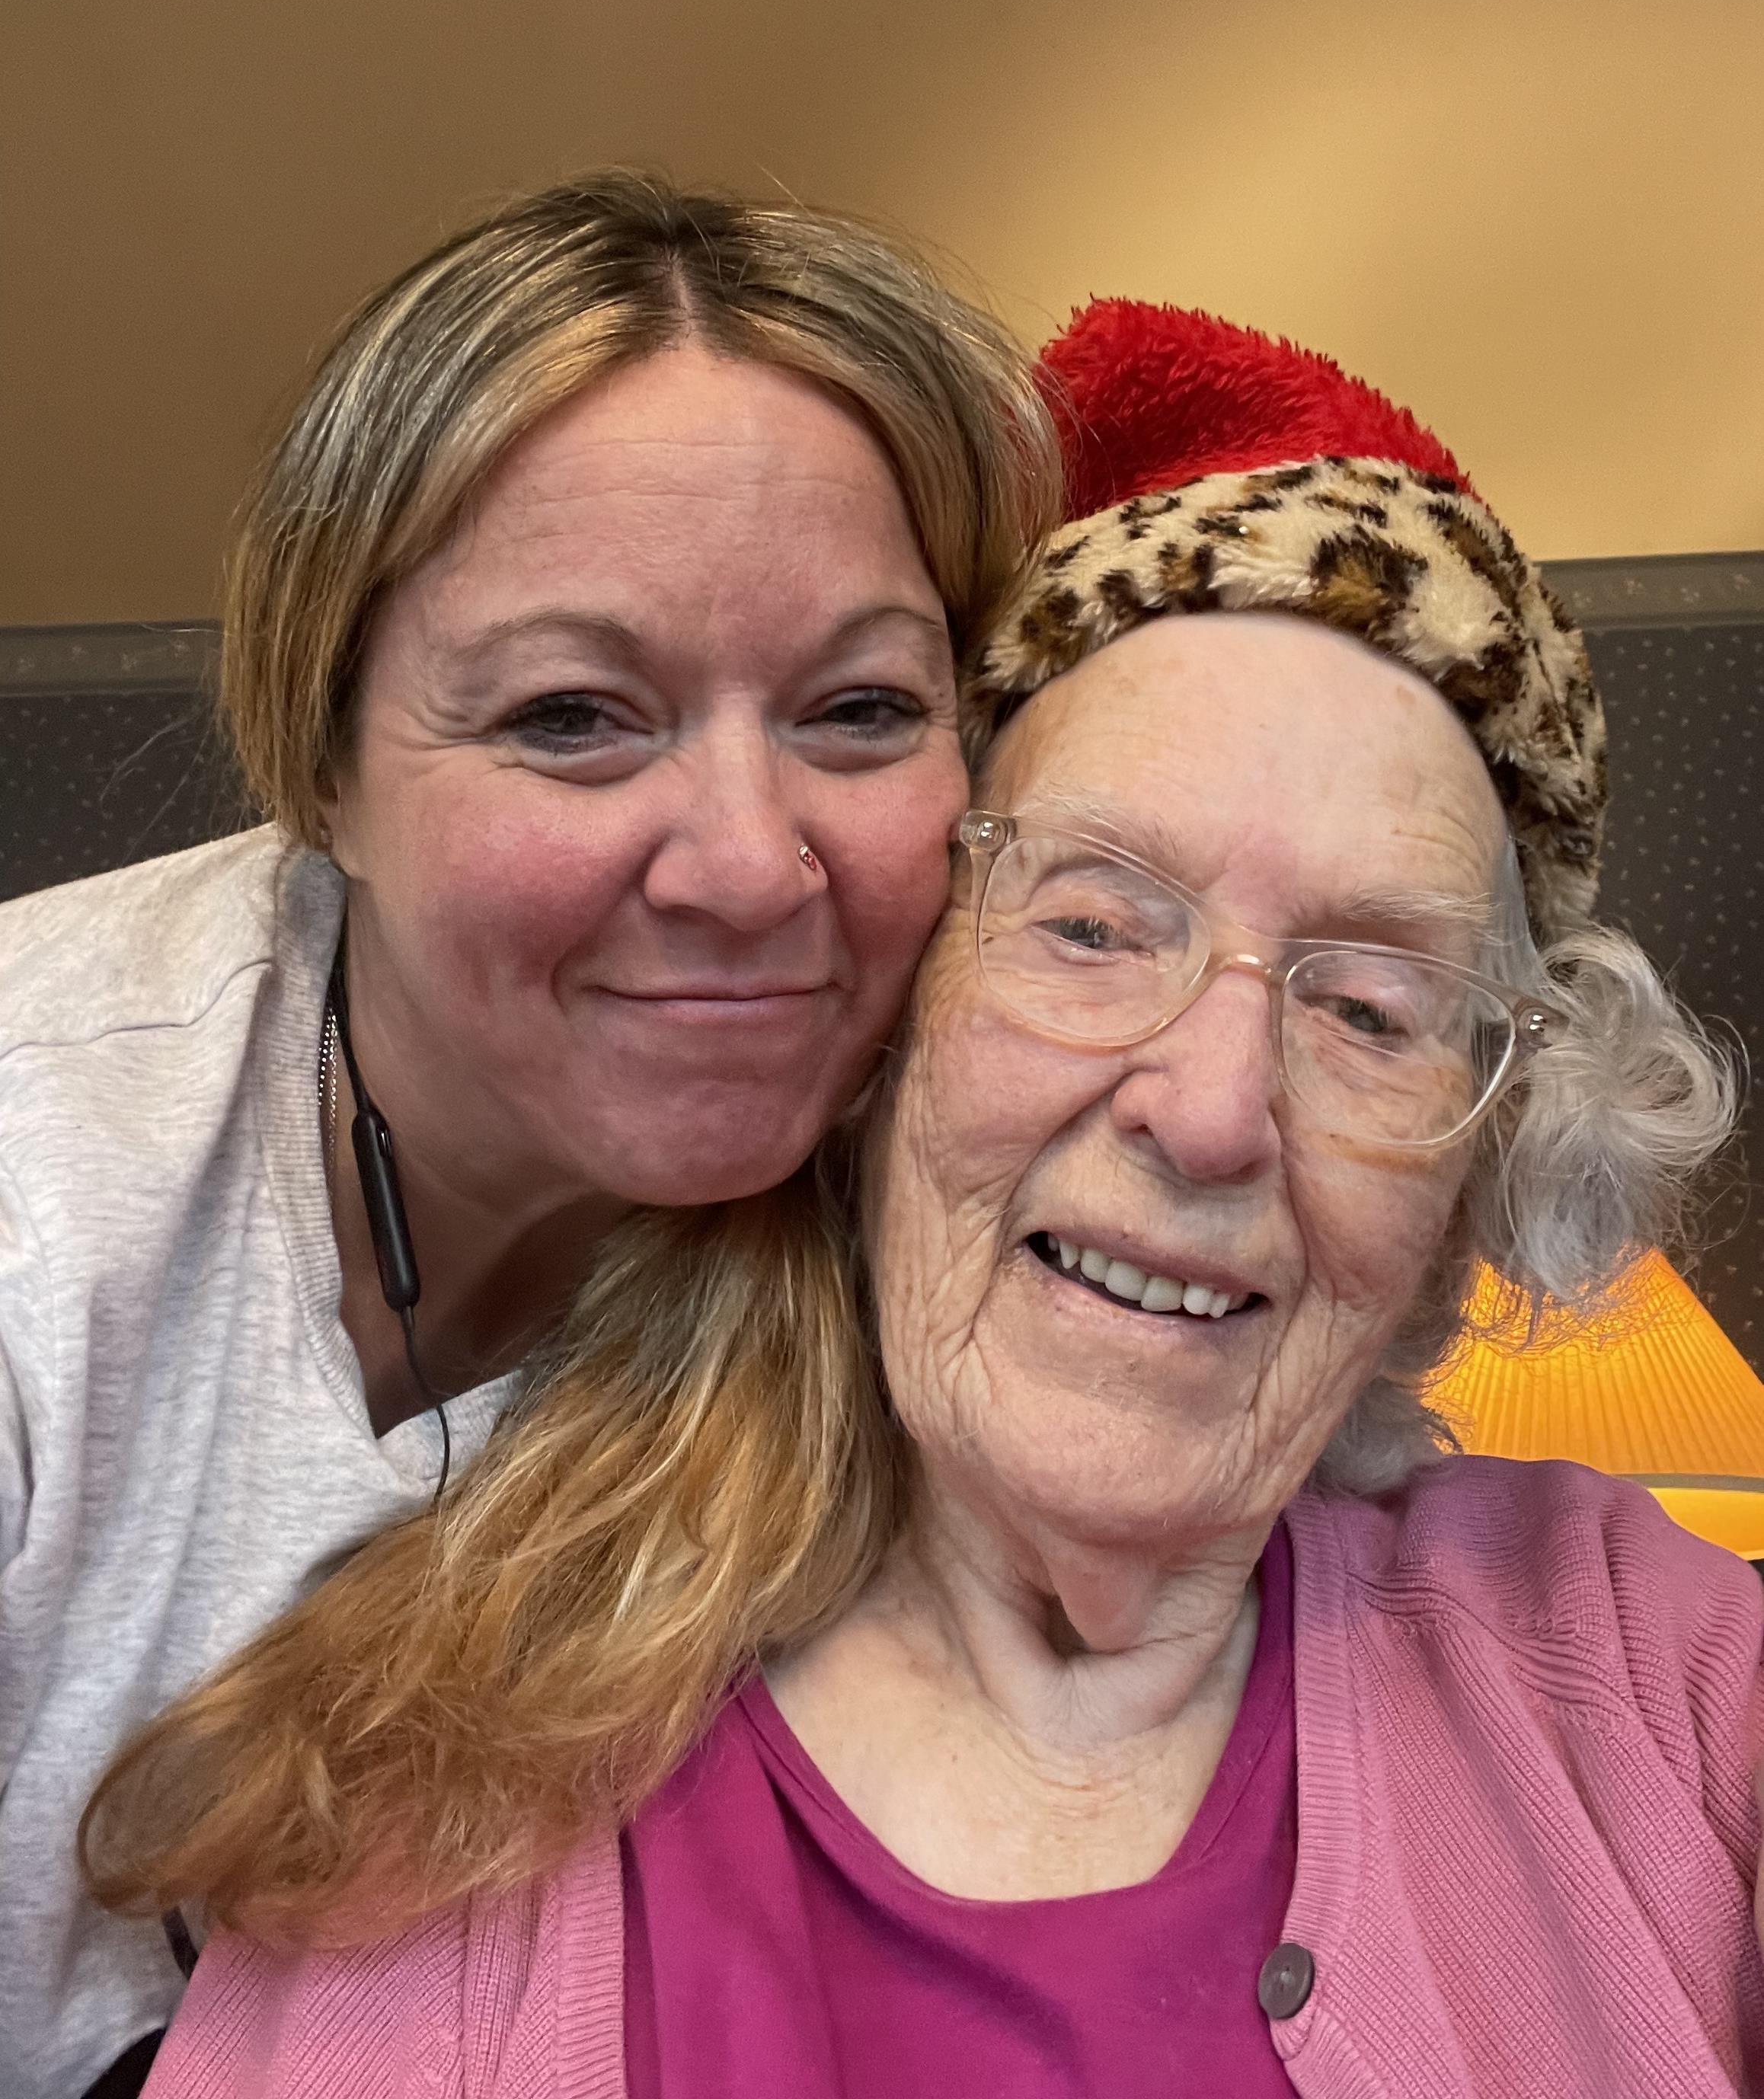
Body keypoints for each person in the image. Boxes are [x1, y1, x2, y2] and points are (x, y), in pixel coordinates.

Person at [94, 302, 1759, 2097]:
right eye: (1093, 924)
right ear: (889, 1038)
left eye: (1370, 1008)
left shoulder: (1639, 1666)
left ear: (1470, 1166)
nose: (1209, 1110)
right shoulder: (432, 1807)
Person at [0, 169, 1060, 2099]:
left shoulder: (1000, 1192)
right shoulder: (34, 1181)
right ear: (319, 758)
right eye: (574, 716)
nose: (752, 864)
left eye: (860, 707)